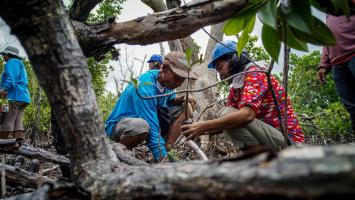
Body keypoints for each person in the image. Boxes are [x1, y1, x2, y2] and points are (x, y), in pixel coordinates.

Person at [181, 41, 304, 153]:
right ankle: (259, 155)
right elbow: (223, 125)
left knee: (226, 113)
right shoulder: (237, 87)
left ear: (235, 59)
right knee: (225, 114)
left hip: (289, 143)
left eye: (220, 67)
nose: (220, 74)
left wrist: (202, 127)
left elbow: (247, 115)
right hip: (271, 137)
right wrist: (196, 129)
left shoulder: (255, 74)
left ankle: (261, 157)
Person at [106, 51, 196, 162]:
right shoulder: (145, 86)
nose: (179, 84)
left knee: (183, 107)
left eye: (182, 80)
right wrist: (164, 162)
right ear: (164, 69)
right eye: (177, 79)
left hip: (143, 122)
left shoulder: (166, 84)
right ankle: (122, 154)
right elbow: (152, 128)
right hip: (120, 125)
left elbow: (170, 99)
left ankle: (169, 149)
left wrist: (183, 98)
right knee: (141, 126)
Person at [317, 14, 355, 133]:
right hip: (337, 63)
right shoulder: (329, 11)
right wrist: (323, 64)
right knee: (351, 106)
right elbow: (327, 39)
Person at [0, 46, 31, 140]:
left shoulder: (12, 62)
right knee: (18, 120)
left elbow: (12, 78)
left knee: (8, 119)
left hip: (15, 96)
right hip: (23, 97)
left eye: (4, 54)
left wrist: (4, 89)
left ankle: (2, 142)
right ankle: (17, 143)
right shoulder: (20, 63)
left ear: (8, 55)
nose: (3, 57)